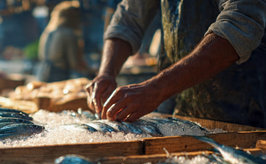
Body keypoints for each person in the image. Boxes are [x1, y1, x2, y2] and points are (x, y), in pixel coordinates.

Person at [86, 0, 266, 128]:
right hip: (179, 111)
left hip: (245, 112)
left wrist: (156, 88)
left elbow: (240, 25)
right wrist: (106, 73)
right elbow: (128, 18)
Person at [37, 1, 89, 82]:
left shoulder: (49, 32)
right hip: (58, 76)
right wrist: (90, 70)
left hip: (43, 72)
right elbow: (74, 63)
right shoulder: (68, 34)